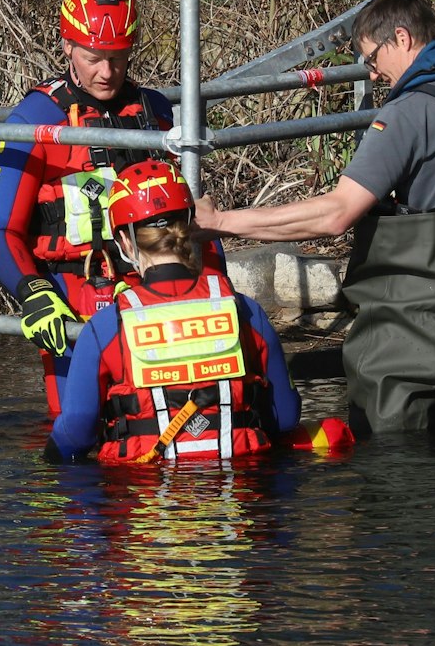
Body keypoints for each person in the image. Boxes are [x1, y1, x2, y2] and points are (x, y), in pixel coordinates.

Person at [195, 0, 435, 436]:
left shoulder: (408, 113)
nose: (375, 74)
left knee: (396, 468)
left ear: (401, 38)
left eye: (372, 58)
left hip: (413, 338)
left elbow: (335, 215)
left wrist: (222, 222)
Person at [0, 0, 212, 415]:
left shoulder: (154, 111)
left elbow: (185, 213)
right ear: (67, 46)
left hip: (155, 283)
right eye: (94, 57)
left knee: (167, 421)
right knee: (79, 428)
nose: (107, 72)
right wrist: (33, 292)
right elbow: (0, 231)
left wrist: (214, 284)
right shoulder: (34, 116)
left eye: (119, 57)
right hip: (71, 291)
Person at [47, 160, 300, 463]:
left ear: (125, 241)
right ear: (191, 224)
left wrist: (46, 462)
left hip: (145, 494)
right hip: (239, 487)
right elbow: (285, 418)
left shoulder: (106, 327)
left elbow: (76, 431)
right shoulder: (246, 311)